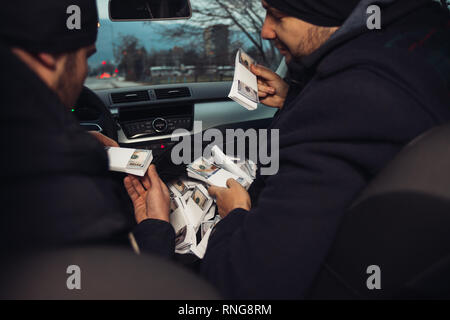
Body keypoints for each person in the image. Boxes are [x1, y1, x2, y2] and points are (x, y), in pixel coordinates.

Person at [126, 0, 450, 299]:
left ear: (326, 8)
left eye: (277, 14)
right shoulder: (418, 44)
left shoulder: (348, 105)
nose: (266, 31)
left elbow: (241, 291)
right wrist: (292, 96)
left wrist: (223, 215)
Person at [0, 0, 137, 254]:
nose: (85, 70)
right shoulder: (70, 194)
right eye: (85, 56)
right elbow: (128, 284)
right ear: (51, 54)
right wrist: (155, 227)